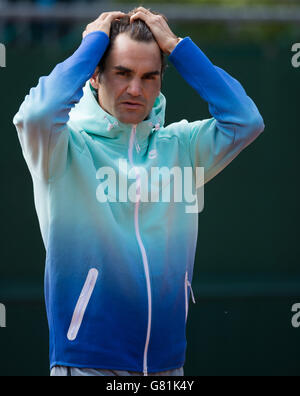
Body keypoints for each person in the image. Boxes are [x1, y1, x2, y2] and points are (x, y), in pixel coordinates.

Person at [13, 7, 265, 377]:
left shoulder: (181, 146)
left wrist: (179, 49)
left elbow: (246, 120)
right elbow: (37, 114)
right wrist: (92, 44)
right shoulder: (61, 145)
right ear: (95, 76)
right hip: (87, 363)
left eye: (149, 77)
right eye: (122, 73)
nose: (136, 89)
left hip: (168, 367)